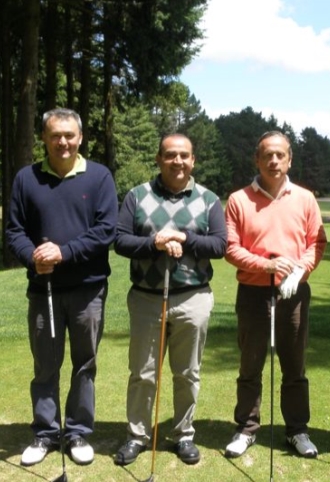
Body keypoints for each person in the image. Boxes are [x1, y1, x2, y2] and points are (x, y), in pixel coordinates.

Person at [6, 108, 118, 467]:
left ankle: (78, 432)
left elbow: (106, 231)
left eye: (69, 135)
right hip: (44, 290)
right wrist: (32, 257)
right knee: (46, 364)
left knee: (84, 363)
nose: (63, 142)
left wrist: (63, 252)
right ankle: (46, 432)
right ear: (44, 137)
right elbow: (14, 232)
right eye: (55, 135)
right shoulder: (27, 178)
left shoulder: (99, 177)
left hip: (88, 290)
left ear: (80, 137)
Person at [113, 133, 227, 467]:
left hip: (192, 297)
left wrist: (185, 238)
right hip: (147, 299)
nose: (177, 161)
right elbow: (119, 241)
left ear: (193, 160)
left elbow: (220, 246)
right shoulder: (138, 196)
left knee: (187, 372)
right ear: (159, 159)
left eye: (184, 156)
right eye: (170, 155)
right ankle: (137, 436)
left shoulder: (208, 199)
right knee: (143, 373)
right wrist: (155, 244)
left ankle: (183, 434)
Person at [223, 131, 327, 459]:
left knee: (294, 365)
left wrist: (299, 272)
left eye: (280, 155)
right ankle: (247, 428)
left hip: (293, 293)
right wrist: (266, 267)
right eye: (267, 155)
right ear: (257, 159)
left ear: (289, 159)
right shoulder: (239, 199)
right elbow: (230, 248)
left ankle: (297, 430)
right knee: (250, 364)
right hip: (253, 291)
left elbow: (316, 243)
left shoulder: (306, 199)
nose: (274, 161)